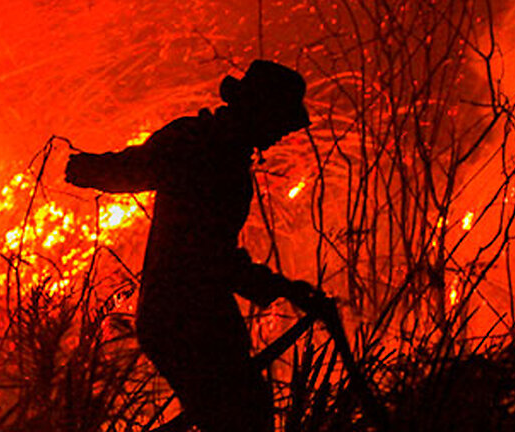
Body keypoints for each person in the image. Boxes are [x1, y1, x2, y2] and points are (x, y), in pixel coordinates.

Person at [65, 60, 326, 432]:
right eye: (279, 121)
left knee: (240, 414)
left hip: (191, 313)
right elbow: (209, 256)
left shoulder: (218, 152)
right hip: (185, 316)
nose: (282, 133)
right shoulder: (203, 148)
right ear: (259, 112)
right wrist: (92, 169)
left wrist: (285, 290)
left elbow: (213, 252)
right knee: (243, 419)